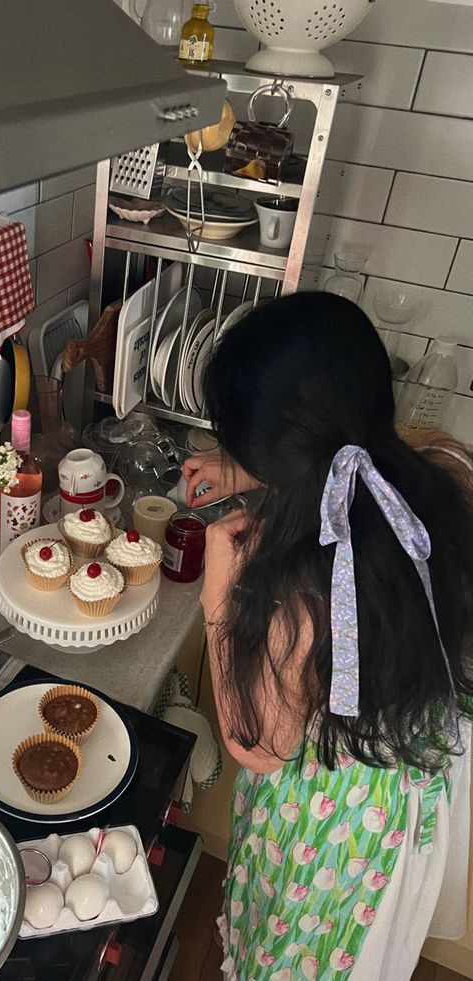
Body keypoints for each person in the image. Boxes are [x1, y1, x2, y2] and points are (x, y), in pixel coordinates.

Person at [183, 292, 473, 980]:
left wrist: (218, 598)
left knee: (298, 962)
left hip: (332, 829)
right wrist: (253, 471)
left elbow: (258, 745)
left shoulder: (305, 597)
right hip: (397, 804)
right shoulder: (439, 474)